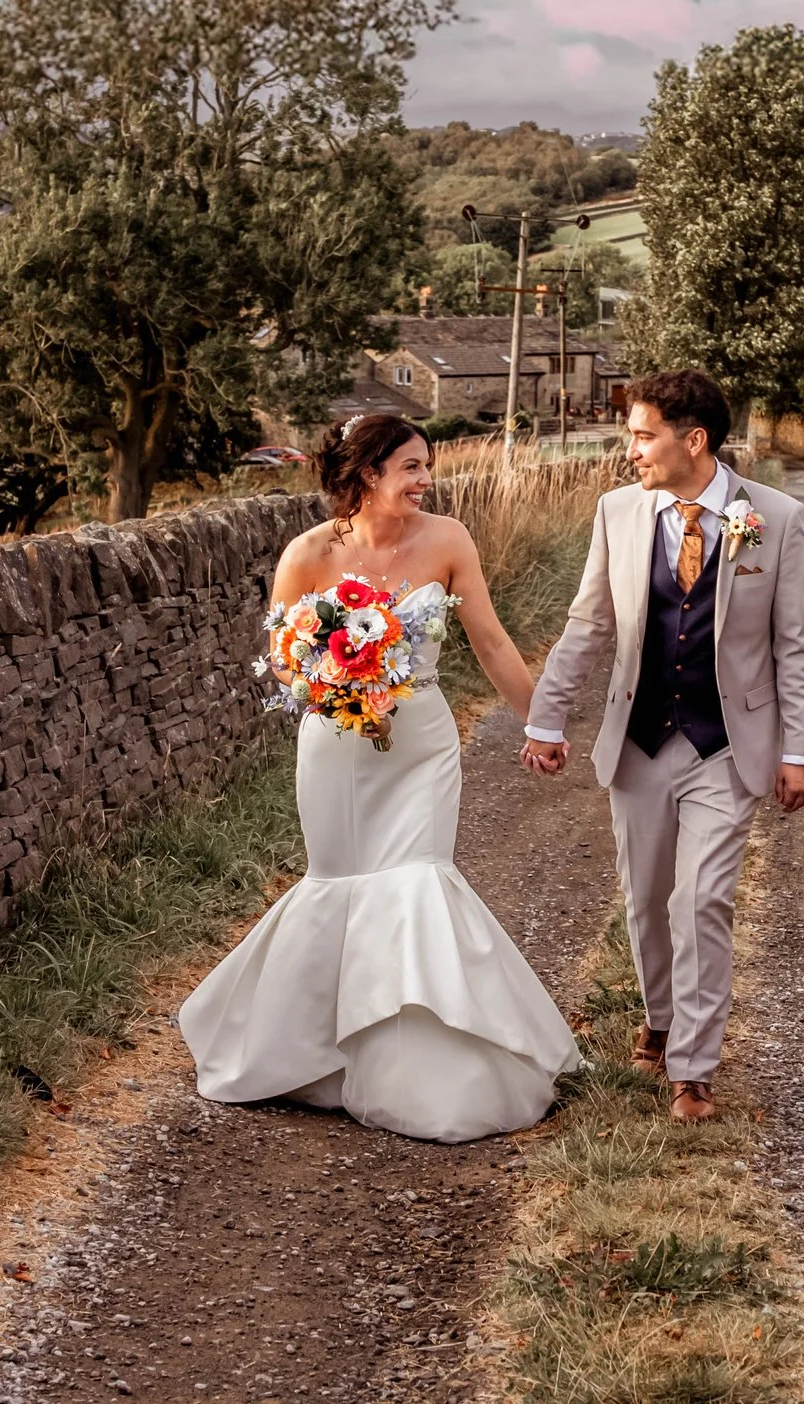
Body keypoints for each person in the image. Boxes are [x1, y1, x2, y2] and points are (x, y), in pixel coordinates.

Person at [178, 413, 582, 1143]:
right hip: (335, 744)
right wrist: (329, 670)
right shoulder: (306, 555)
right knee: (338, 880)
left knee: (418, 879)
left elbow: (490, 642)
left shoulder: (449, 540)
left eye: (427, 466)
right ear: (367, 474)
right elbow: (279, 659)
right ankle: (310, 1058)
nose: (427, 481)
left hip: (420, 742)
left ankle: (426, 1076)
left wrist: (540, 723)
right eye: (413, 468)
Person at [520, 369, 804, 1123]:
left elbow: (797, 645)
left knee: (703, 900)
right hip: (641, 741)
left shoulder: (775, 518)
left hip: (727, 745)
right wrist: (546, 719)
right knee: (647, 900)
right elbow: (588, 625)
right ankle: (660, 1017)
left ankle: (694, 1069)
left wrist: (803, 749)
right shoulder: (617, 513)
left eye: (642, 434)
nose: (631, 450)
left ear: (693, 441)